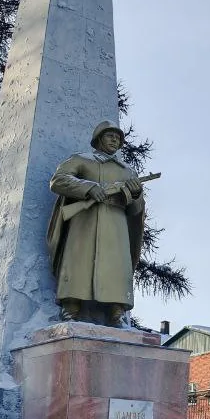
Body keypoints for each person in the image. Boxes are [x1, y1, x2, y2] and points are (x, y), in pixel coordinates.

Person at [47, 121, 145, 327]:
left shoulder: (128, 171)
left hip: (116, 222)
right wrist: (89, 188)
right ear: (98, 138)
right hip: (85, 220)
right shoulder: (81, 160)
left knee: (117, 265)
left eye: (118, 138)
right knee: (78, 260)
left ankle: (117, 311)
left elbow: (136, 210)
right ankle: (70, 306)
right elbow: (58, 180)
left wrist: (135, 194)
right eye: (110, 136)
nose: (115, 140)